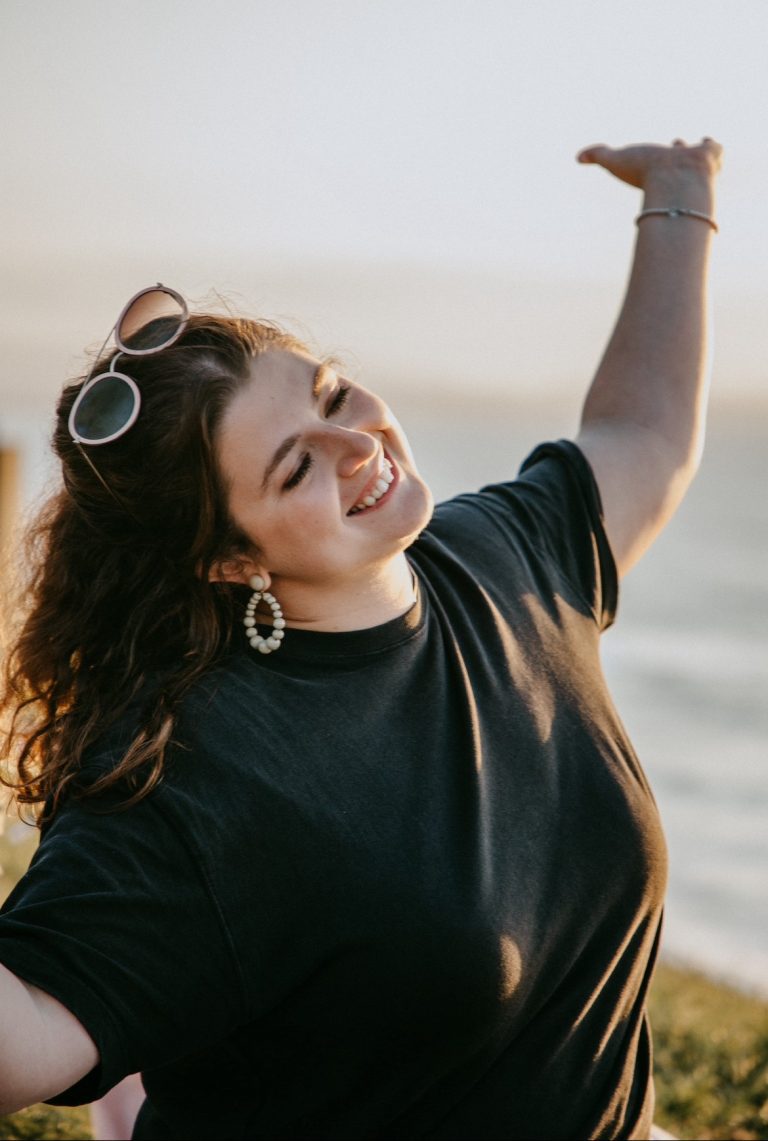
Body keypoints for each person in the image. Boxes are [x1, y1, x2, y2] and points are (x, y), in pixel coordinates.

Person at [0, 136, 721, 1141]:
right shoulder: (194, 776)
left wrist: (681, 200)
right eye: (295, 468)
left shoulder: (507, 553)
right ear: (223, 559)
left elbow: (642, 435)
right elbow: (22, 1037)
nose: (358, 446)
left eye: (334, 393)